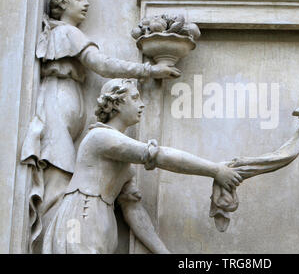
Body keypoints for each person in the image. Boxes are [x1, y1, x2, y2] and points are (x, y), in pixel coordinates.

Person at [20, 0, 181, 252]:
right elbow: (101, 64)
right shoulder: (67, 32)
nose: (86, 3)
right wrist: (148, 71)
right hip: (55, 114)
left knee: (58, 191)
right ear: (61, 3)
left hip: (62, 115)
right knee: (55, 195)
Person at [42, 78, 242, 254]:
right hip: (81, 219)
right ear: (116, 103)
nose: (142, 104)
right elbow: (160, 156)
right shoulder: (100, 137)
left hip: (99, 223)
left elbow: (133, 211)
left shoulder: (121, 156)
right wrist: (214, 170)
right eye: (135, 98)